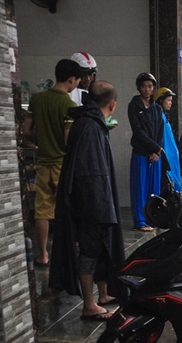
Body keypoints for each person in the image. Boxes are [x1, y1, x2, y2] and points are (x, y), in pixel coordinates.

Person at [49, 80, 125, 320]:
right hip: (92, 203)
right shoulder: (90, 128)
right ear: (112, 105)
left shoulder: (89, 123)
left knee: (102, 249)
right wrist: (102, 209)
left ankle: (103, 295)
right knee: (91, 251)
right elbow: (91, 175)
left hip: (95, 200)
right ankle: (89, 305)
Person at [23, 59, 82, 267]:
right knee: (68, 208)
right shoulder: (68, 104)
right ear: (71, 79)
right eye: (77, 81)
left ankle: (43, 255)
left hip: (42, 164)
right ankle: (72, 248)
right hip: (62, 164)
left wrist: (42, 142)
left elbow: (26, 130)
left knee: (42, 211)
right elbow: (68, 138)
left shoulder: (37, 99)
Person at [128, 72, 163, 231]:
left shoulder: (157, 108)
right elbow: (138, 131)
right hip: (141, 153)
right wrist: (153, 147)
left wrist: (157, 151)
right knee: (139, 189)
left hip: (155, 156)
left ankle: (152, 219)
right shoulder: (134, 105)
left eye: (150, 86)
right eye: (143, 86)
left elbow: (160, 131)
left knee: (153, 191)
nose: (147, 89)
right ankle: (140, 221)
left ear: (153, 88)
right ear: (138, 87)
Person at [153, 87, 182, 193]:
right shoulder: (159, 116)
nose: (170, 103)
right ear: (161, 100)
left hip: (170, 158)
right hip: (165, 158)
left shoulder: (164, 116)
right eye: (168, 100)